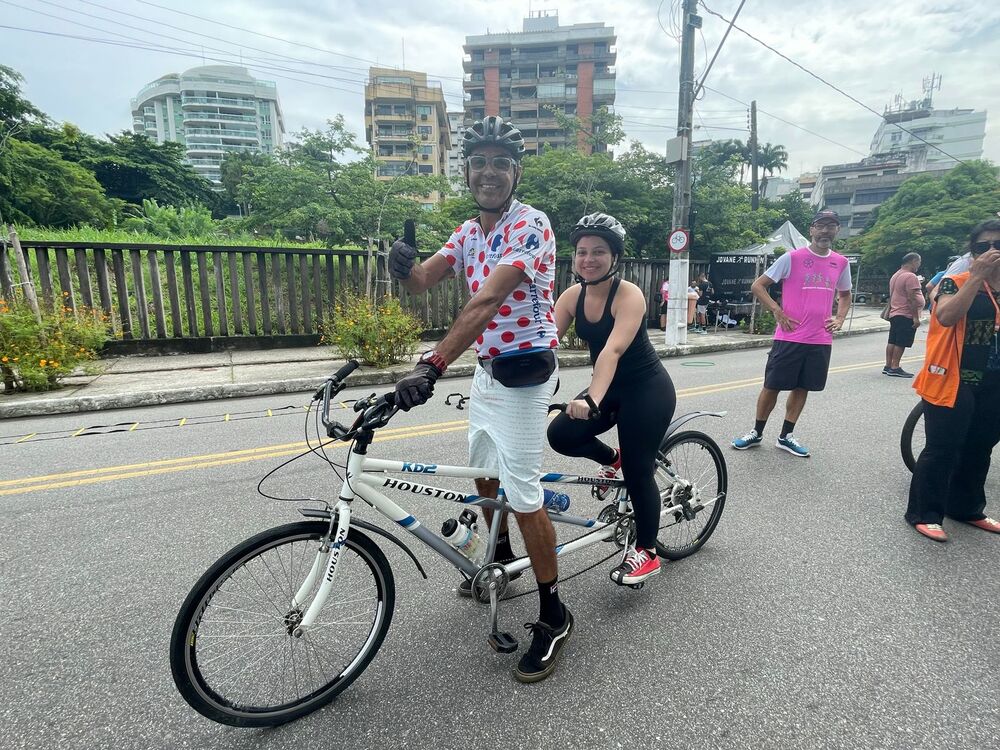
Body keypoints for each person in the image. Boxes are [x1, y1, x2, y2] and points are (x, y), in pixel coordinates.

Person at [388, 117, 571, 683]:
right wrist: (402, 266)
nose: (488, 172)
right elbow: (423, 281)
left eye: (500, 163)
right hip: (489, 371)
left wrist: (432, 363)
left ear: (514, 172)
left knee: (522, 489)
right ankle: (500, 560)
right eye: (479, 163)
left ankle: (554, 613)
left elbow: (487, 300)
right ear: (466, 171)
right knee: (483, 474)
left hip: (526, 374)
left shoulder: (530, 225)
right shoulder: (469, 231)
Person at [547, 213, 676, 585]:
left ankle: (647, 551)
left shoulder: (629, 295)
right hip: (608, 388)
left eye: (598, 251)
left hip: (646, 390)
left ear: (614, 256)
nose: (588, 259)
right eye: (582, 252)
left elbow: (612, 351)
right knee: (562, 435)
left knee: (639, 472)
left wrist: (590, 400)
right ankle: (611, 458)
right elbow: (546, 345)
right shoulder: (572, 296)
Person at [906, 219, 1000, 542]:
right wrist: (976, 278)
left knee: (980, 447)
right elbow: (945, 317)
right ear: (971, 254)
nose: (991, 251)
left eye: (997, 245)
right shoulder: (955, 281)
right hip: (954, 377)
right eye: (981, 247)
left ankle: (967, 507)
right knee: (942, 448)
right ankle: (924, 512)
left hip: (994, 381)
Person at [731, 210, 852, 457]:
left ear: (837, 230)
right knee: (772, 385)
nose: (825, 231)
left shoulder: (841, 262)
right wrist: (777, 310)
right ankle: (756, 432)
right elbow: (758, 286)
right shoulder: (792, 258)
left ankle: (786, 436)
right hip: (789, 337)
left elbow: (845, 294)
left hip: (820, 339)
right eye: (821, 225)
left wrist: (839, 318)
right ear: (812, 229)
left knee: (803, 386)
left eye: (831, 226)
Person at [883, 252, 924, 377]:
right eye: (918, 262)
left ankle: (888, 365)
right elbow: (911, 299)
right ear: (913, 261)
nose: (919, 265)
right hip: (905, 313)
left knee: (893, 340)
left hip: (895, 312)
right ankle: (895, 366)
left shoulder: (896, 275)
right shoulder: (910, 276)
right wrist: (916, 317)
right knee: (901, 342)